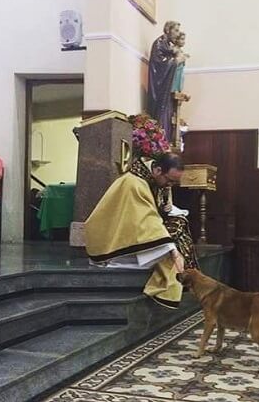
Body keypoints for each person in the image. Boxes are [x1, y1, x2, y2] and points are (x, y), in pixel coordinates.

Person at [85, 153, 198, 309]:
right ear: (158, 170)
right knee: (171, 255)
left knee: (179, 223)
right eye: (169, 180)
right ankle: (165, 287)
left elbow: (158, 210)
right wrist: (173, 251)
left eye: (174, 183)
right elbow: (146, 219)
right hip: (115, 238)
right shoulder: (134, 183)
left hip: (140, 228)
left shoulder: (156, 180)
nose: (170, 185)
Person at [147, 21, 181, 142]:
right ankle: (160, 138)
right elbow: (159, 64)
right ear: (167, 30)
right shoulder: (159, 43)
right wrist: (174, 61)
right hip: (159, 87)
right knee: (161, 113)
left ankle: (165, 140)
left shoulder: (168, 45)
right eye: (176, 30)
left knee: (169, 112)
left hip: (167, 87)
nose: (178, 34)